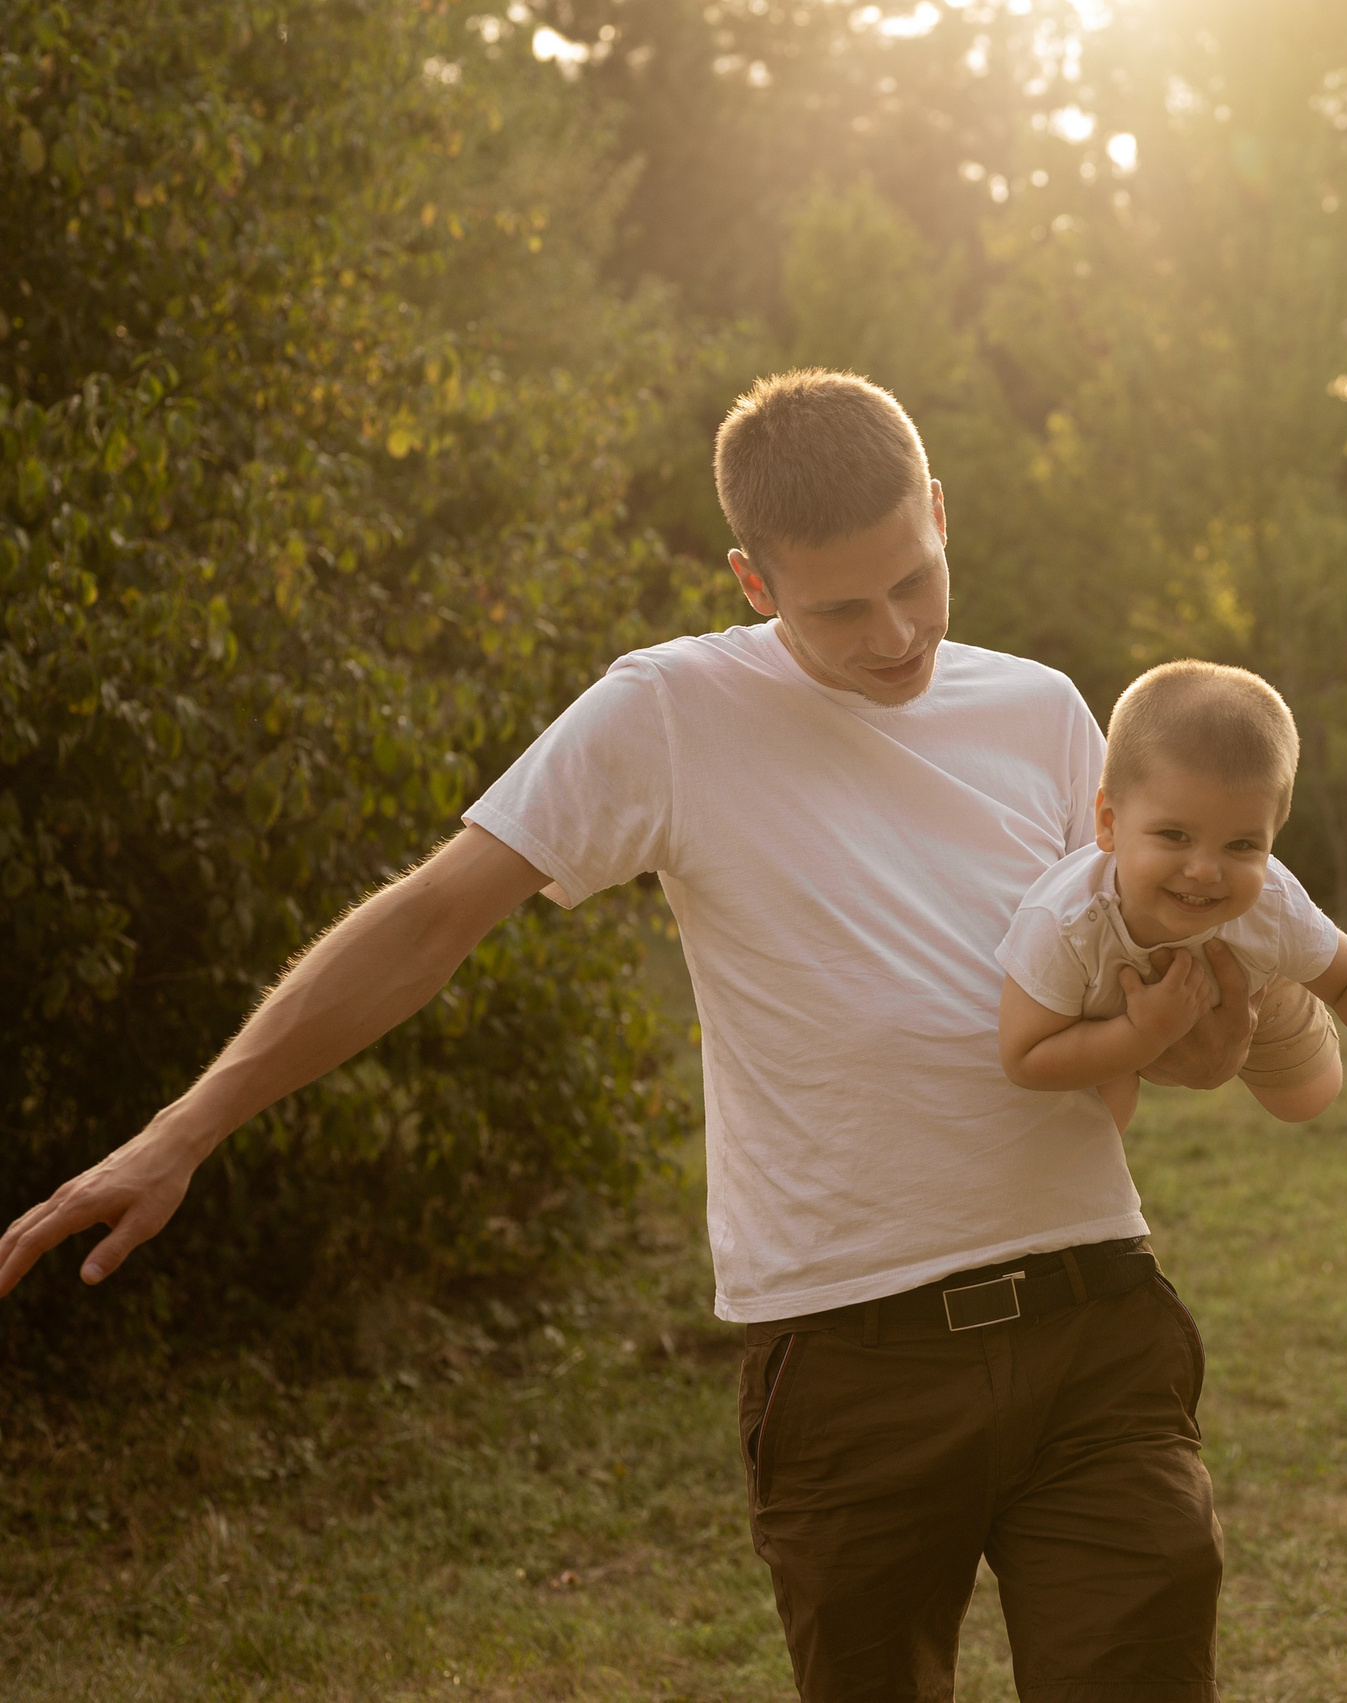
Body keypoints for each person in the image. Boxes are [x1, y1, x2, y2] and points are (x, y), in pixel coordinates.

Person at [0, 369, 1262, 1703]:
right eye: (843, 605)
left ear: (939, 511)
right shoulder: (669, 712)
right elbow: (431, 917)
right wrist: (182, 1129)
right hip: (854, 1359)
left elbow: (1137, 1037)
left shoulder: (1049, 714)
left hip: (1093, 1319)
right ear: (753, 579)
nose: (897, 632)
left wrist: (1200, 1034)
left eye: (917, 577)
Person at [998, 659, 1347, 1130]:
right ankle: (1129, 1049)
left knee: (1308, 1098)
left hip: (1239, 960)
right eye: (1174, 835)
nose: (1205, 871)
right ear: (1109, 823)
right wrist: (1139, 1035)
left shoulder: (1269, 902)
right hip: (1104, 1018)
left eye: (1241, 845)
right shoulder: (1064, 921)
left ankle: (1271, 979)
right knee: (1100, 1120)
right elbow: (1024, 1056)